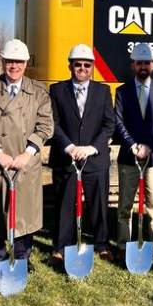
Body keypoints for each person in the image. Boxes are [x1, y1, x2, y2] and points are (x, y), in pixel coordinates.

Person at [0, 39, 54, 282]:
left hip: (25, 164)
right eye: (10, 61)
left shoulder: (38, 92)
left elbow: (46, 125)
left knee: (24, 214)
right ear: (2, 61)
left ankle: (21, 257)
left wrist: (27, 153)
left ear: (26, 63)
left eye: (19, 61)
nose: (14, 66)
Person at [46, 44, 116, 266]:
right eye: (78, 65)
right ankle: (60, 247)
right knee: (64, 204)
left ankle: (102, 243)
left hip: (95, 159)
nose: (83, 69)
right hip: (66, 159)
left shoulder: (103, 91)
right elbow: (53, 123)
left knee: (98, 205)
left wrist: (91, 148)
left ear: (92, 67)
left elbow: (109, 124)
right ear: (70, 66)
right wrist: (69, 147)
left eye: (87, 65)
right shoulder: (57, 90)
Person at [113, 42, 153, 261]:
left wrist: (149, 146)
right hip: (129, 157)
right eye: (139, 63)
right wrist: (133, 145)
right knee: (125, 205)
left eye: (147, 62)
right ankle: (123, 244)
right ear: (133, 65)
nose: (143, 66)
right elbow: (119, 122)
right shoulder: (122, 92)